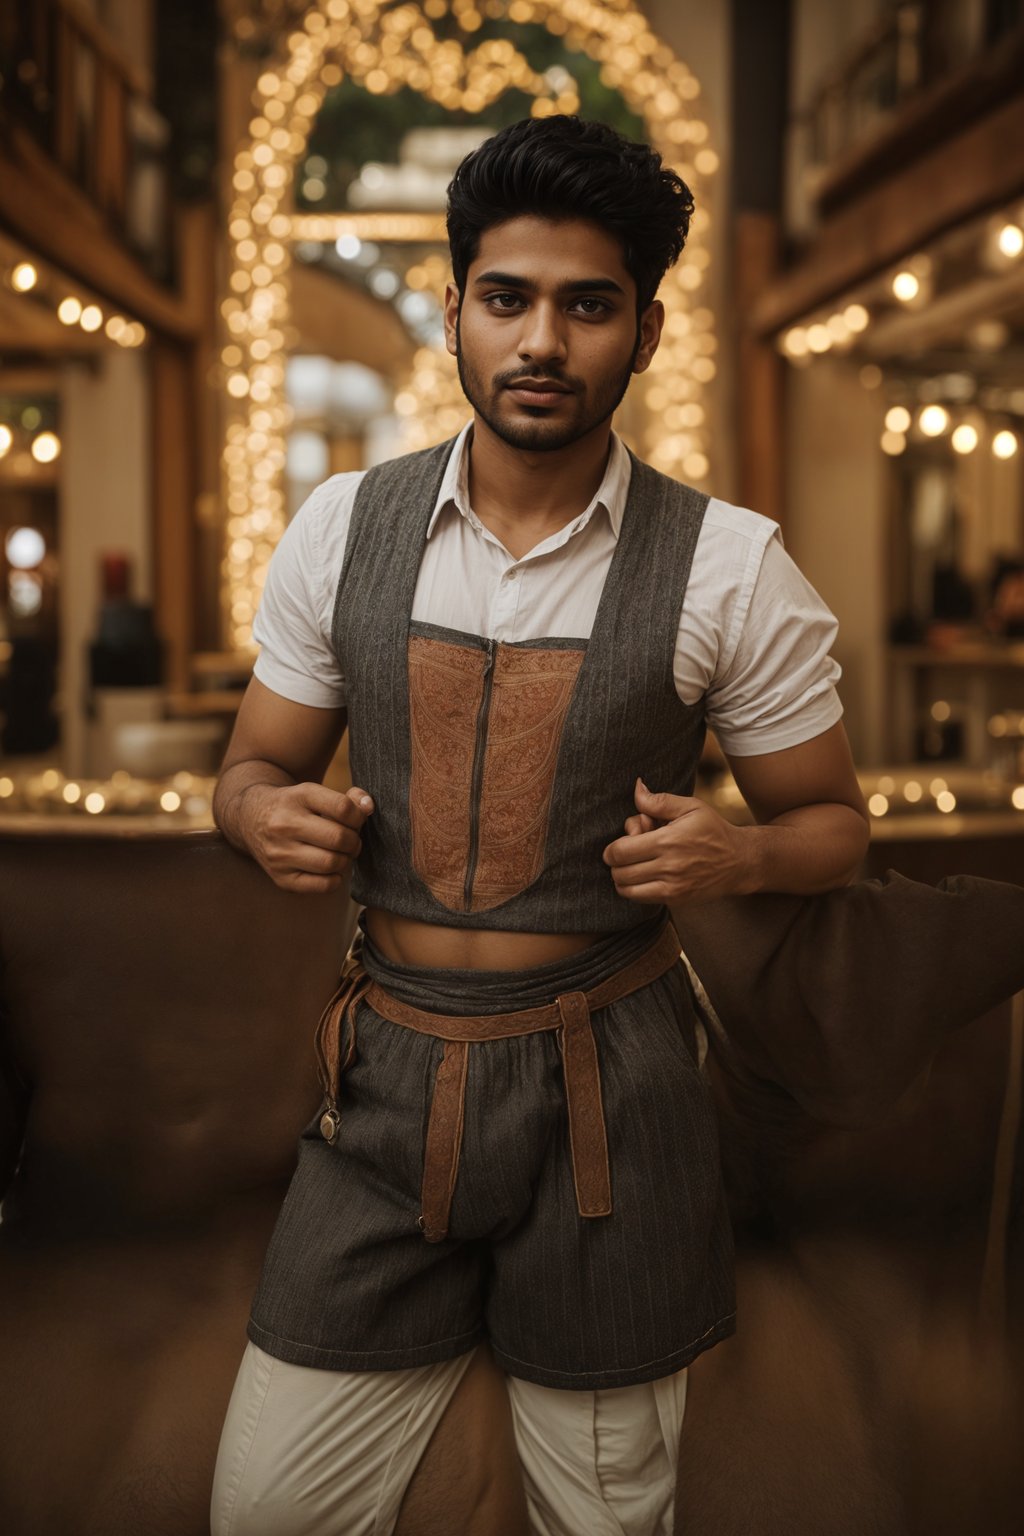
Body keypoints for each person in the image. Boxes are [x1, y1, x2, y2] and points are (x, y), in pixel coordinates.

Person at [209, 115, 870, 1536]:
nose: (542, 341)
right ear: (452, 308)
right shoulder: (340, 527)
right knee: (265, 1507)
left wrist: (745, 851)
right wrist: (262, 814)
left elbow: (834, 825)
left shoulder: (729, 565)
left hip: (614, 1096)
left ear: (640, 329)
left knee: (609, 1519)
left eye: (588, 305)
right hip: (382, 1088)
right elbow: (248, 769)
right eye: (506, 298)